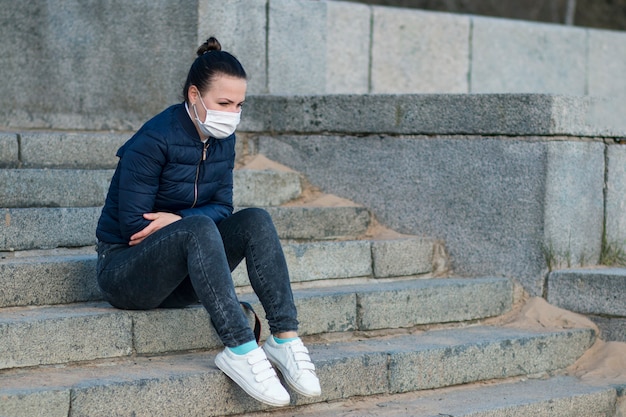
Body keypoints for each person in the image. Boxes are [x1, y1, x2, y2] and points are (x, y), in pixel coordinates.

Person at [95, 37, 321, 407]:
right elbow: (134, 228)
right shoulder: (152, 141)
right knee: (199, 228)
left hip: (184, 274)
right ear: (195, 95)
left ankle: (284, 339)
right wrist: (186, 224)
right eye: (223, 103)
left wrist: (178, 218)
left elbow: (223, 207)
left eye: (239, 105)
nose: (232, 114)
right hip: (126, 274)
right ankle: (240, 347)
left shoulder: (221, 139)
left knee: (256, 220)